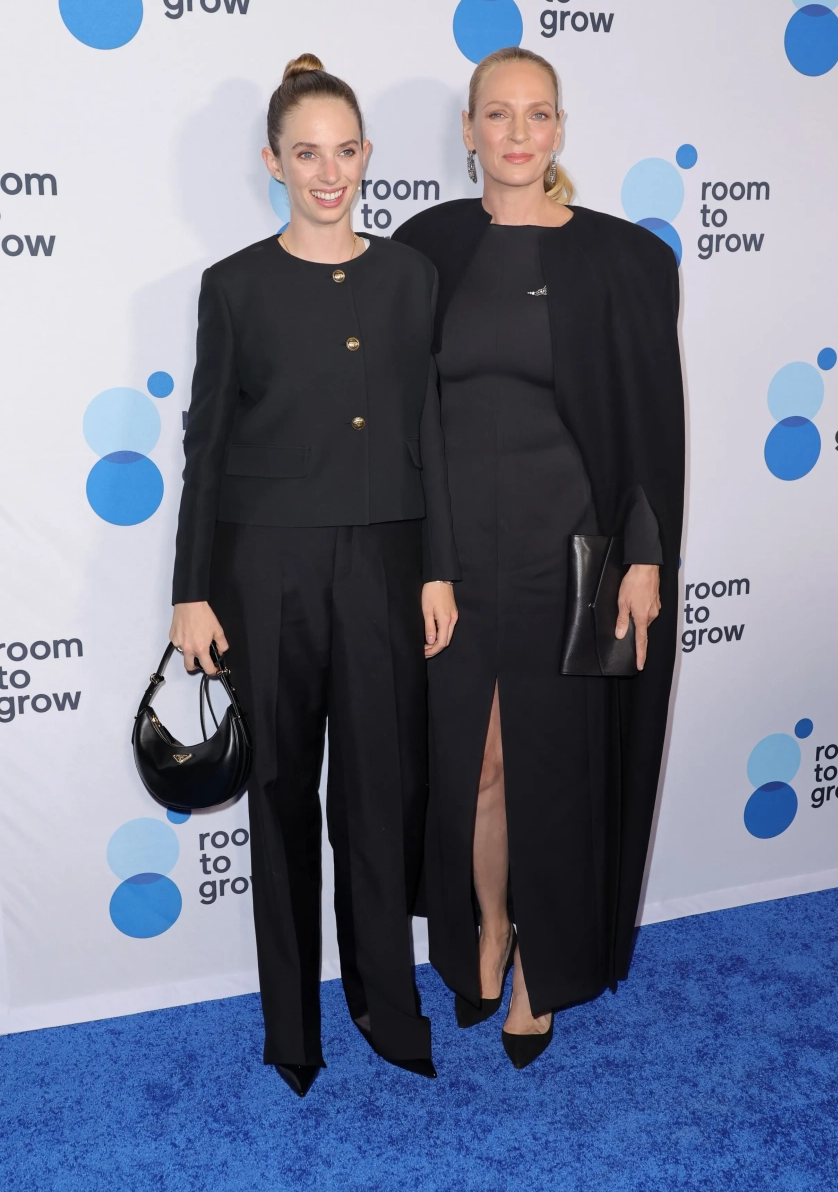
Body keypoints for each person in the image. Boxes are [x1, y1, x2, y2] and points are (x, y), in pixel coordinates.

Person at [169, 55, 459, 1097]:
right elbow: (206, 446)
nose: (328, 173)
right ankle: (292, 1025)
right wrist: (190, 589)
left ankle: (386, 1003)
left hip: (386, 565)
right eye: (306, 153)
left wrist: (438, 567)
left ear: (367, 155)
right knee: (280, 793)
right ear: (273, 163)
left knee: (379, 795)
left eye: (344, 151)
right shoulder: (233, 286)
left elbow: (430, 429)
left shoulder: (412, 277)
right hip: (265, 571)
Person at [394, 46, 684, 1069]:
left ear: (559, 129)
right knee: (473, 766)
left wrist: (644, 557)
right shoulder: (426, 247)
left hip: (580, 563)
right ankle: (486, 926)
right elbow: (401, 415)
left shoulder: (622, 259)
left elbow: (649, 427)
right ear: (468, 131)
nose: (517, 133)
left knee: (552, 774)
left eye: (537, 114)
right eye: (497, 114)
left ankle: (541, 970)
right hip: (453, 560)